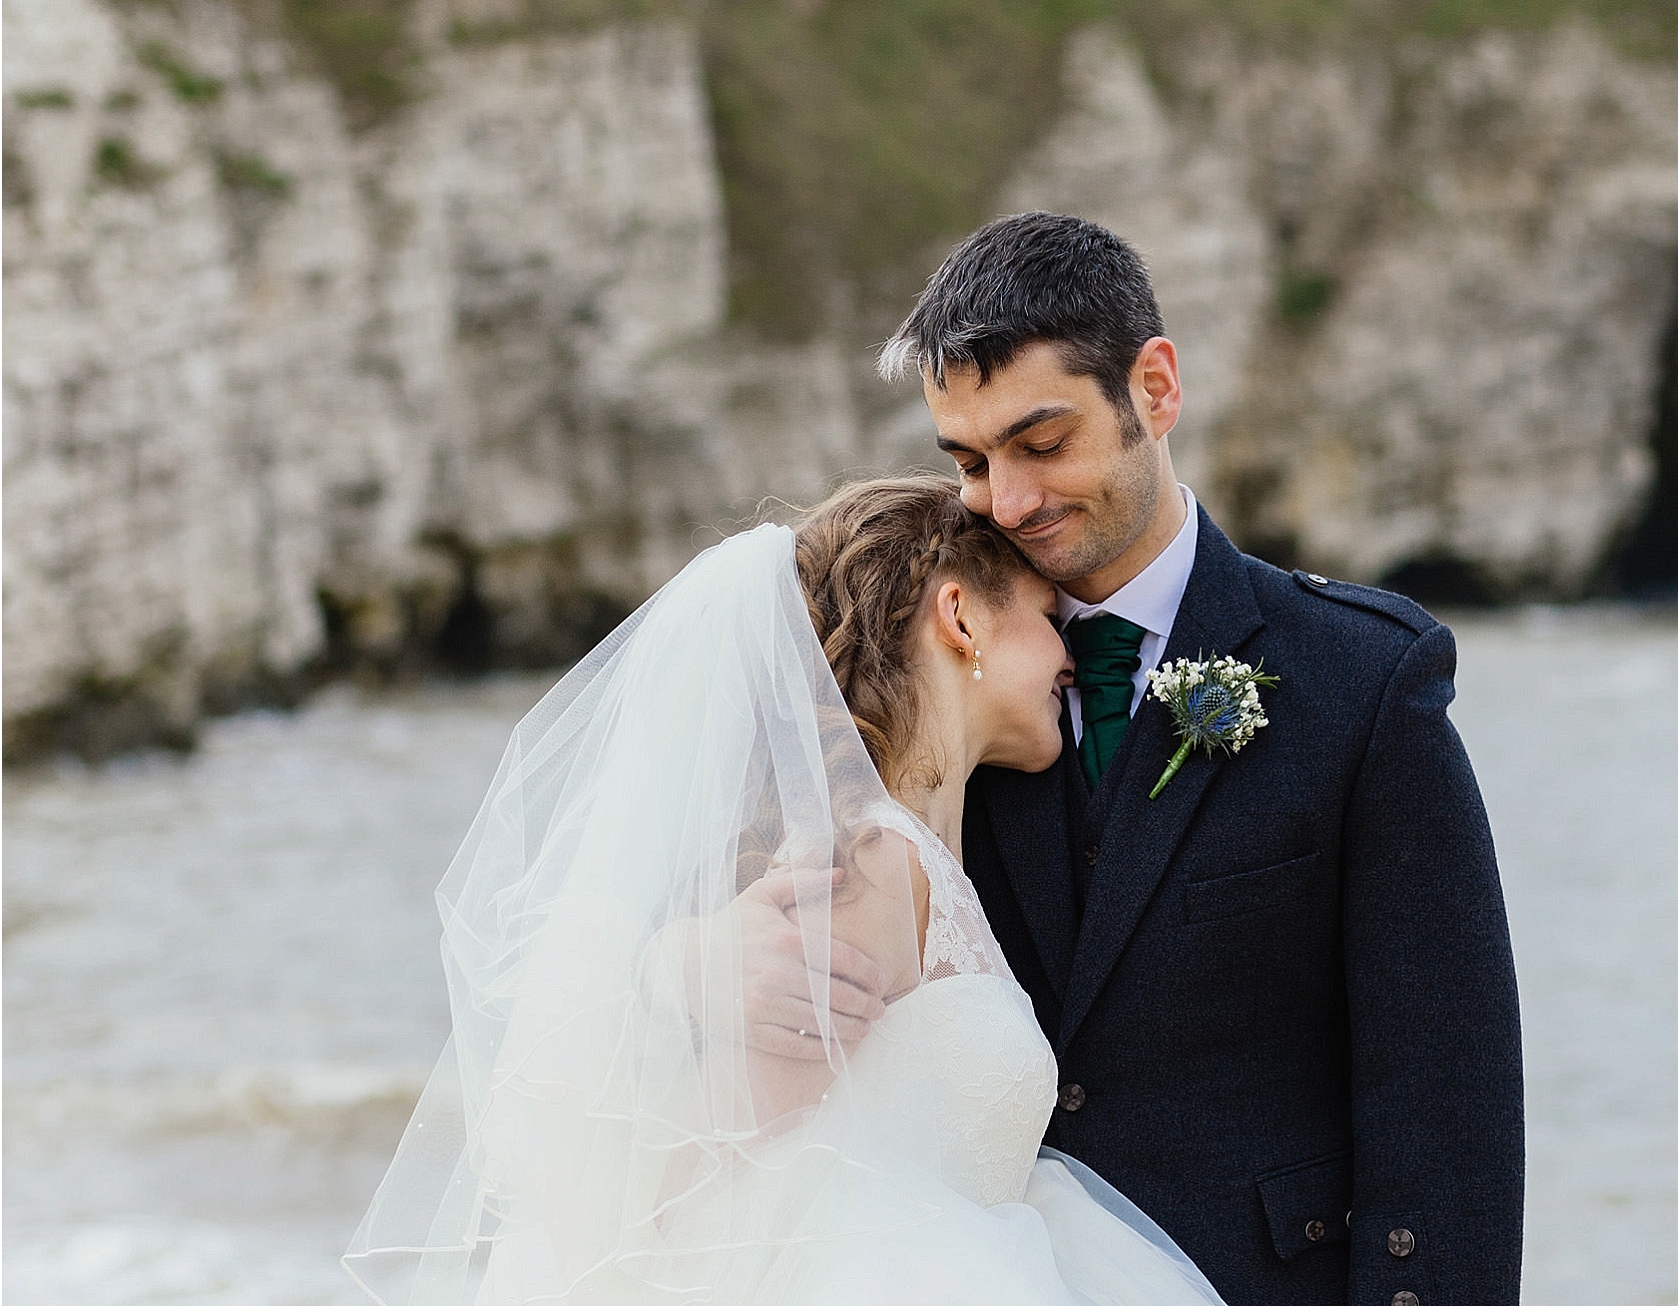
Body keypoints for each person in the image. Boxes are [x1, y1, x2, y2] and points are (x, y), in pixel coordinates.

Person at [751, 212, 1527, 1305]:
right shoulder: (915, 690)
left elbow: (1443, 1100)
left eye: (1041, 441)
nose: (1005, 502)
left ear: (1153, 390)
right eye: (968, 461)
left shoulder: (1360, 683)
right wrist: (687, 969)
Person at [343, 477, 1223, 1304]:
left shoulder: (908, 846)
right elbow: (686, 1190)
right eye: (1041, 613)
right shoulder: (863, 867)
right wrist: (678, 975)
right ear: (959, 617)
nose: (1071, 644)